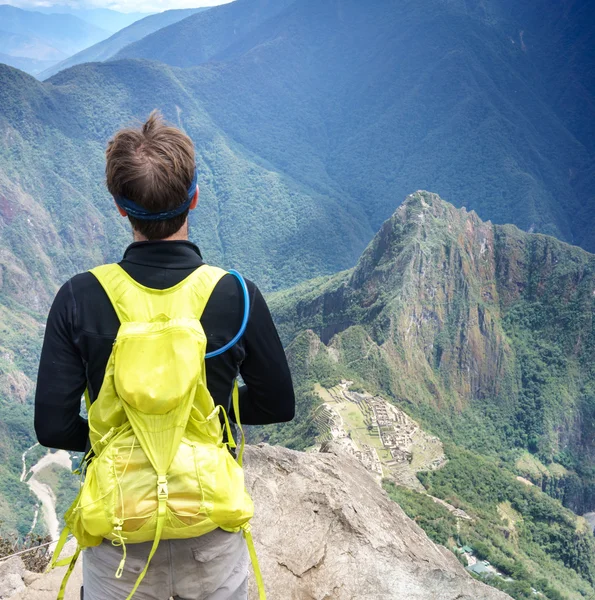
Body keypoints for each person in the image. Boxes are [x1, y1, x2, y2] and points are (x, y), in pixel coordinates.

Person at [34, 111, 295, 600]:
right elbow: (279, 404)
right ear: (194, 197)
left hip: (118, 536)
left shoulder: (78, 297)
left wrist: (119, 439)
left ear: (119, 207)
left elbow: (52, 426)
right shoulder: (236, 295)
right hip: (209, 533)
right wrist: (213, 419)